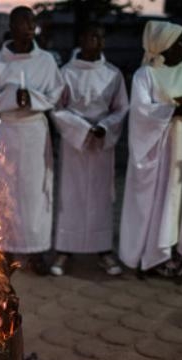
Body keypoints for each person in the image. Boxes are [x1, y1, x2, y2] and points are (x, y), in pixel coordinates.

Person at [119, 20, 182, 278]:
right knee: (165, 199)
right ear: (166, 45)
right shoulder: (146, 74)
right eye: (181, 41)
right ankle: (156, 255)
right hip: (164, 147)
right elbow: (141, 111)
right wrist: (173, 110)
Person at [0, 6, 65, 274]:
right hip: (8, 129)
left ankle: (36, 250)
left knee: (35, 191)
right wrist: (10, 97)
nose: (30, 26)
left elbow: (55, 93)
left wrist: (31, 99)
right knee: (5, 188)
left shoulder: (46, 61)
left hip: (34, 131)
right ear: (12, 26)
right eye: (23, 22)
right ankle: (5, 249)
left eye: (32, 21)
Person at [50, 24, 129, 277]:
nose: (99, 41)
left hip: (101, 143)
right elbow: (56, 107)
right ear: (82, 39)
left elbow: (121, 108)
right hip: (75, 141)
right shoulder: (66, 72)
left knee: (100, 196)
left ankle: (103, 249)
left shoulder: (112, 74)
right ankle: (65, 249)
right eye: (94, 36)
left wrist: (105, 127)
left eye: (102, 37)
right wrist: (82, 129)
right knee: (71, 195)